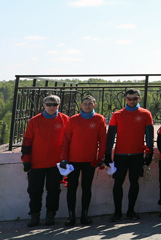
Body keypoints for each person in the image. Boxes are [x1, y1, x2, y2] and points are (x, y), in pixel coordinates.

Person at [105, 88, 154, 222]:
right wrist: (107, 154)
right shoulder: (117, 114)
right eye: (129, 99)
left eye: (135, 99)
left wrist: (149, 152)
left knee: (134, 182)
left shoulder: (146, 113)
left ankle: (131, 211)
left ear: (139, 98)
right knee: (118, 183)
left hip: (137, 155)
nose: (132, 101)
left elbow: (149, 135)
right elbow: (110, 136)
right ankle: (117, 212)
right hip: (120, 155)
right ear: (125, 99)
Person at [21, 94, 68, 227]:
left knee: (54, 191)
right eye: (49, 104)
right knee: (34, 191)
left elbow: (69, 141)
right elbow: (27, 142)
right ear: (43, 105)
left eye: (55, 104)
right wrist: (26, 160)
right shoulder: (34, 121)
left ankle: (50, 215)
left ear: (59, 105)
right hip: (36, 163)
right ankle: (34, 215)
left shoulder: (65, 120)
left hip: (56, 163)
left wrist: (66, 159)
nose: (52, 107)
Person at [60, 94, 105, 226]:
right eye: (85, 104)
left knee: (87, 187)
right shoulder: (73, 119)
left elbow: (103, 139)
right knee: (72, 187)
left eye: (90, 104)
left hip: (90, 160)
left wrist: (101, 157)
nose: (87, 106)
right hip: (73, 161)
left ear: (94, 105)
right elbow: (66, 140)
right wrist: (64, 158)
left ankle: (84, 215)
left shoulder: (99, 119)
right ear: (81, 105)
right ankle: (71, 216)